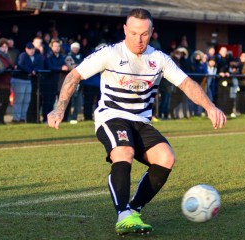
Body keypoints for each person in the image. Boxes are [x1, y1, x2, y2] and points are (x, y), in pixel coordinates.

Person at [47, 8, 226, 235]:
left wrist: (210, 107)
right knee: (124, 151)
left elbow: (187, 83)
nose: (138, 39)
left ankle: (133, 209)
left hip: (141, 121)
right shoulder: (110, 54)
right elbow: (74, 76)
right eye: (133, 33)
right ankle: (123, 214)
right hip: (111, 115)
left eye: (143, 34)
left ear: (151, 32)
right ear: (125, 30)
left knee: (166, 158)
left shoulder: (159, 59)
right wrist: (59, 108)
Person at [11, 42, 43, 123]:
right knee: (19, 99)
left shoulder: (36, 57)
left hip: (27, 80)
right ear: (26, 49)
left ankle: (22, 118)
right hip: (20, 79)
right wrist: (30, 71)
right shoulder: (23, 55)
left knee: (26, 100)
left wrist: (33, 71)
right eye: (29, 49)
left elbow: (38, 65)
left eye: (32, 49)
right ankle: (16, 118)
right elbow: (20, 65)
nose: (31, 51)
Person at [0, 38, 13, 124]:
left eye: (6, 46)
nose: (5, 48)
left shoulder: (7, 56)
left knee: (5, 102)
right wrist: (5, 68)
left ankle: (2, 119)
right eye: (3, 46)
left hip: (7, 82)